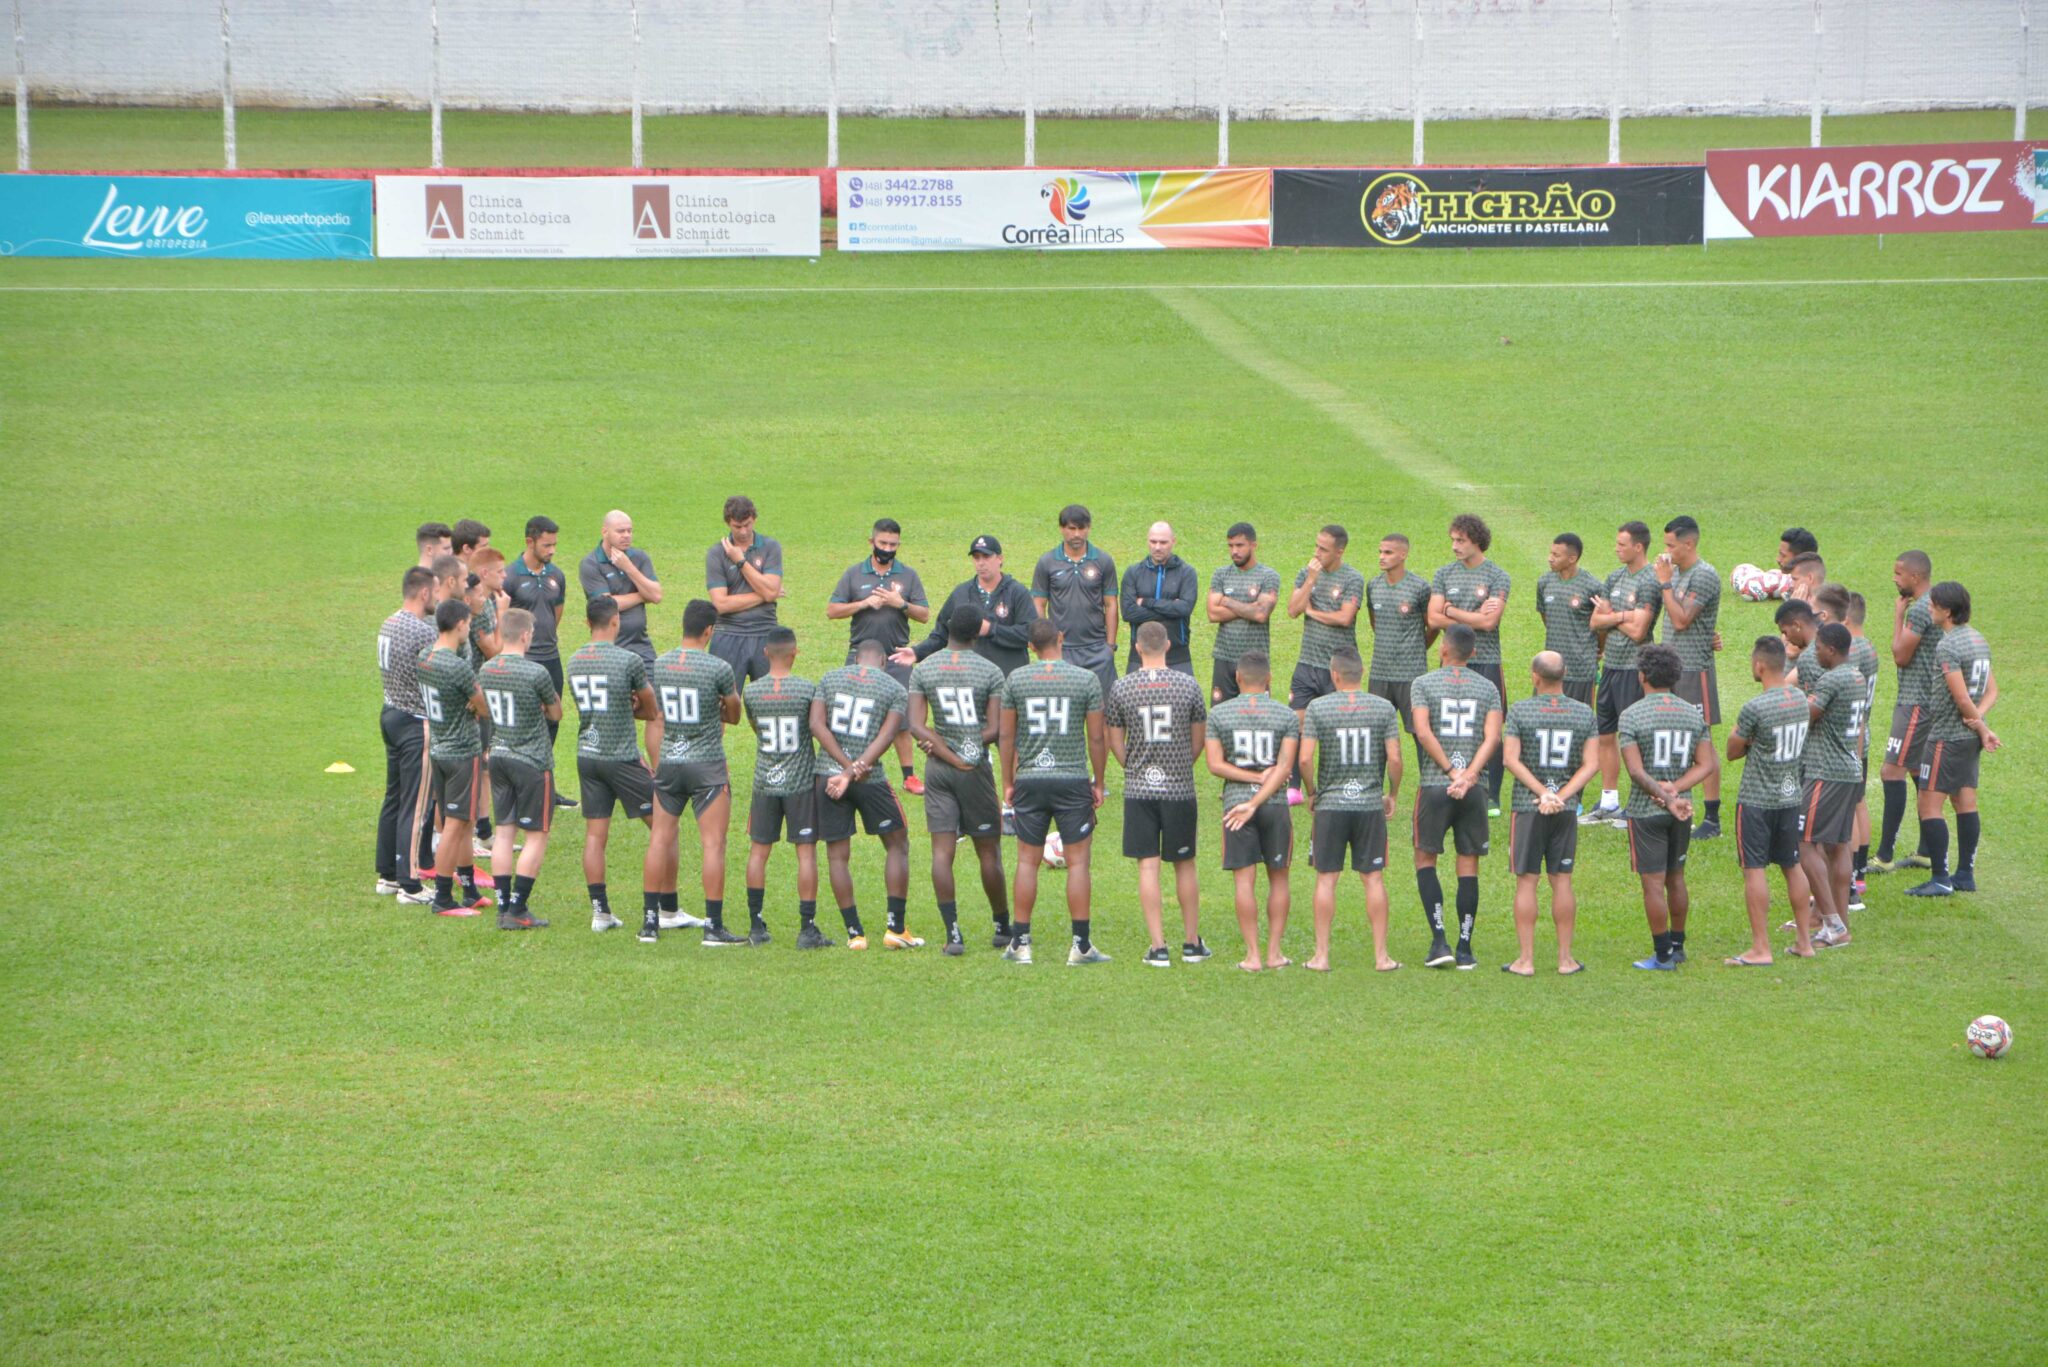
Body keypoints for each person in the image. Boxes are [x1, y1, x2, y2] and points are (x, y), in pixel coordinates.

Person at [999, 621, 1109, 965]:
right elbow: (1096, 737)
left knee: (1026, 862)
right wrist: (1098, 781)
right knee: (1078, 863)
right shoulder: (1086, 680)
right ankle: (1080, 945)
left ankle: (1020, 943)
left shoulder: (1016, 679)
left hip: (1030, 778)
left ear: (1031, 647)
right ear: (1061, 639)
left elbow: (1006, 736)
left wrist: (1008, 781)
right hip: (1072, 778)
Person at [906, 606, 1010, 954]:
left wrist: (942, 749)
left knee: (942, 852)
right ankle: (1002, 927)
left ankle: (952, 935)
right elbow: (995, 728)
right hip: (974, 769)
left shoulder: (925, 668)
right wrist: (966, 751)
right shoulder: (990, 671)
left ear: (949, 628)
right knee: (988, 851)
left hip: (937, 768)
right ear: (977, 633)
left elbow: (916, 725)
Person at [1105, 622, 1210, 966]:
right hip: (1179, 787)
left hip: (1139, 788)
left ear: (1137, 648)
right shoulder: (1188, 685)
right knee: (1185, 865)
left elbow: (1114, 740)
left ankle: (1158, 946)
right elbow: (1198, 740)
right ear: (1167, 646)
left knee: (1148, 866)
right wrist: (1180, 765)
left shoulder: (1122, 687)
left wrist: (1133, 766)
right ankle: (1191, 943)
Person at [643, 600, 743, 945]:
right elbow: (734, 716)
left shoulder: (661, 664)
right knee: (713, 844)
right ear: (709, 631)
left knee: (660, 838)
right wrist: (723, 706)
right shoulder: (718, 667)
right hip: (707, 764)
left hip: (670, 760)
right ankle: (713, 926)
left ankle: (650, 923)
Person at [1298, 647, 1402, 972]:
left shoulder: (1318, 707)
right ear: (1362, 672)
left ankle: (1321, 956)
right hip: (1369, 805)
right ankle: (1381, 957)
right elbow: (1395, 759)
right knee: (1373, 879)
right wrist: (1392, 793)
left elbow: (1305, 758)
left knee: (1326, 879)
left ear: (1334, 675)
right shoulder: (1383, 708)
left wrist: (1312, 792)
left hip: (1331, 805)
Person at [1409, 624, 1503, 970]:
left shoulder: (1423, 684)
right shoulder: (1488, 688)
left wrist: (1451, 772)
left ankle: (1439, 941)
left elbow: (1423, 732)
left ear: (1443, 649)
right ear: (1473, 652)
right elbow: (1492, 738)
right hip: (1474, 790)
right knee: (1468, 864)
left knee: (1425, 859)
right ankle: (1465, 948)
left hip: (1436, 785)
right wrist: (1470, 775)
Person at [1500, 651, 1599, 976]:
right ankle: (1565, 959)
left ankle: (1526, 960)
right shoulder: (1584, 713)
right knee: (1562, 880)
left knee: (1527, 882)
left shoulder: (1520, 710)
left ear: (1535, 676)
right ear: (1564, 674)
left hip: (1527, 808)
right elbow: (1592, 764)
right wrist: (1561, 796)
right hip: (1565, 809)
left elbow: (1510, 759)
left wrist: (1542, 793)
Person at [1617, 643, 1715, 970]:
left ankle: (1661, 955)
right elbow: (1706, 764)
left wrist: (1662, 794)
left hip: (1646, 810)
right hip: (1682, 809)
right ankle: (1678, 946)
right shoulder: (1692, 714)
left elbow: (1635, 771)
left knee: (1653, 883)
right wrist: (1676, 790)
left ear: (1642, 676)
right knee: (1677, 877)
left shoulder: (1632, 715)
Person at [812, 641, 914, 950]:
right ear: (883, 661)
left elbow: (816, 725)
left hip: (827, 776)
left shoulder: (830, 678)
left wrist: (844, 769)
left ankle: (854, 933)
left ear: (856, 659)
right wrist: (856, 769)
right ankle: (895, 928)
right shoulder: (893, 688)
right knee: (897, 843)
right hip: (870, 778)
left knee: (837, 855)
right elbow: (888, 735)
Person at [566, 596, 660, 934]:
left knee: (595, 836)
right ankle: (662, 910)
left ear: (587, 623)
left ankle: (600, 912)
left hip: (587, 754)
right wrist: (631, 705)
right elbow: (651, 711)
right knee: (663, 828)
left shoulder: (574, 661)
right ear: (616, 621)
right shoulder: (629, 660)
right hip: (621, 756)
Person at [1205, 652, 1299, 971]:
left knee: (1244, 882)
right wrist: (1263, 781)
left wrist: (1250, 783)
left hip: (1236, 804)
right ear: (1269, 679)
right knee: (1279, 879)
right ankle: (1274, 953)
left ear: (1237, 678)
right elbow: (1284, 767)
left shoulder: (1219, 714)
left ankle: (1253, 956)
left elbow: (1215, 764)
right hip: (1274, 804)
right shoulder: (1286, 715)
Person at [1725, 636, 1816, 964]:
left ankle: (1761, 948)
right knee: (1792, 865)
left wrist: (1747, 738)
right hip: (1790, 796)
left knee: (1755, 870)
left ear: (1760, 665)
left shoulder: (1755, 707)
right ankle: (1804, 942)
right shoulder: (1800, 699)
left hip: (1757, 799)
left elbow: (1732, 750)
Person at [1908, 582, 2000, 897]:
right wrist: (1979, 721)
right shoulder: (1978, 639)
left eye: (1933, 605)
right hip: (1969, 739)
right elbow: (1992, 691)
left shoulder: (1947, 646)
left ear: (1947, 611)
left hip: (1946, 737)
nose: (1928, 608)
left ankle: (1940, 878)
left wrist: (1979, 724)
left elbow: (1961, 698)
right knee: (1964, 802)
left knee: (1928, 805)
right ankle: (1965, 875)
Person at [740, 628, 830, 947]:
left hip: (765, 780)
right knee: (805, 853)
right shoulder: (807, 689)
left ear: (765, 653)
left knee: (758, 851)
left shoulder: (752, 692)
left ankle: (755, 926)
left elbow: (754, 725)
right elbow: (815, 726)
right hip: (800, 781)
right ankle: (807, 928)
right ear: (795, 653)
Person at [828, 518, 930, 793]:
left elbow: (924, 615)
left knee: (902, 720)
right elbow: (832, 610)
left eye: (893, 545)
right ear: (871, 541)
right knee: (853, 714)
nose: (887, 549)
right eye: (883, 543)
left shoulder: (908, 575)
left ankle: (909, 776)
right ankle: (847, 768)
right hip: (859, 658)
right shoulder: (854, 574)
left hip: (897, 657)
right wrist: (863, 603)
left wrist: (901, 604)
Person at [479, 608, 563, 930]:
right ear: (526, 635)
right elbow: (556, 713)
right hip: (531, 759)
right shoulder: (536, 672)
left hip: (499, 754)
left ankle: (503, 907)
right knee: (536, 835)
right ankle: (518, 907)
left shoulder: (487, 669)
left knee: (504, 832)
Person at [1428, 514, 1512, 812]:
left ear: (1477, 541)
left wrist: (1451, 611)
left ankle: (1491, 795)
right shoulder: (1444, 574)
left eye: (1460, 540)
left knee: (1491, 728)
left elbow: (1490, 623)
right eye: (1453, 540)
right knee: (1447, 723)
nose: (1454, 546)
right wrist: (1473, 615)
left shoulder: (1497, 576)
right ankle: (1448, 781)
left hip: (1486, 660)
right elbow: (1433, 618)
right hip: (1451, 661)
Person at [418, 597, 493, 916]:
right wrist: (474, 705)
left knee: (463, 821)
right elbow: (484, 707)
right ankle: (443, 897)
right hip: (462, 750)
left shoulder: (425, 656)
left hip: (439, 748)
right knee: (456, 823)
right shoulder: (458, 666)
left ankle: (469, 888)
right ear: (461, 624)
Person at [1584, 521, 1659, 825]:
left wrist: (1612, 616)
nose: (1616, 549)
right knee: (1605, 733)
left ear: (1638, 547)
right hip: (1611, 666)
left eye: (1622, 544)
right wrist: (1624, 617)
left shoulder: (1650, 581)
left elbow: (1640, 632)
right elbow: (1594, 622)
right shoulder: (1614, 577)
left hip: (1633, 668)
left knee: (1633, 737)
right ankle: (1609, 800)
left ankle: (1638, 803)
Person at [1655, 515, 1724, 838]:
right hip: (1673, 669)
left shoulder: (1703, 575)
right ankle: (1678, 805)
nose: (1666, 552)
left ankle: (1711, 819)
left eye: (1671, 546)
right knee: (1677, 739)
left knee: (1702, 742)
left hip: (1694, 670)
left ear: (1689, 543)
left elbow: (1682, 620)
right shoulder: (1679, 573)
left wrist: (1665, 584)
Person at [1286, 524, 1365, 804]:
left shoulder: (1353, 578)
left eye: (1324, 549)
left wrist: (1312, 611)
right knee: (1296, 723)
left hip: (1339, 668)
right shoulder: (1306, 573)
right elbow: (1293, 610)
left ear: (1339, 551)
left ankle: (1338, 781)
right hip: (1307, 663)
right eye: (1316, 546)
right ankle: (1294, 787)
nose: (1317, 552)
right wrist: (1310, 580)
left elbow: (1344, 618)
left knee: (1338, 726)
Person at [376, 566, 440, 905]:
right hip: (416, 722)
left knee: (394, 797)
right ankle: (410, 886)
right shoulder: (422, 632)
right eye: (436, 592)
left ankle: (387, 875)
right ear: (424, 592)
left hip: (390, 713)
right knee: (415, 806)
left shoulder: (388, 623)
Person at [1874, 550, 1941, 874]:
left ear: (1915, 576)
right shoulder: (1935, 603)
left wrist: (1898, 616)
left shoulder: (1918, 610)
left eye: (1899, 573)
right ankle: (1926, 851)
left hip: (1915, 702)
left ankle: (1884, 856)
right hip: (1929, 700)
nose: (1894, 578)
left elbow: (1900, 655)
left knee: (1891, 771)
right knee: (1917, 770)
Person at [1801, 624, 1865, 947]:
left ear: (1830, 649)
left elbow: (1807, 713)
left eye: (1817, 648)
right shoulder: (1856, 676)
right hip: (1850, 769)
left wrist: (1784, 700)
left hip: (1825, 771)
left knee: (1803, 842)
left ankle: (1831, 923)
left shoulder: (1832, 679)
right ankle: (1841, 926)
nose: (1815, 653)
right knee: (1837, 846)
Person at [896, 534, 1039, 678]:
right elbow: (941, 634)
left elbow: (1029, 634)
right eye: (976, 558)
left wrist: (991, 629)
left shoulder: (1017, 592)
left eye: (986, 557)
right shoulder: (961, 593)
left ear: (1000, 558)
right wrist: (917, 652)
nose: (981, 563)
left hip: (1008, 679)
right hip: (971, 680)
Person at [1817, 585, 1879, 907]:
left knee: (1847, 813)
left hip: (1845, 740)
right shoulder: (1869, 648)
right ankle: (1860, 872)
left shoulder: (1849, 653)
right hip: (1860, 732)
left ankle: (1850, 880)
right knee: (1858, 803)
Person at [505, 515, 572, 805]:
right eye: (547, 545)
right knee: (523, 723)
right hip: (524, 662)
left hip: (551, 658)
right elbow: (503, 621)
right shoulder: (510, 576)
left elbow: (556, 614)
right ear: (529, 542)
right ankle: (522, 786)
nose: (552, 550)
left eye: (554, 544)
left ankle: (543, 783)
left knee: (552, 719)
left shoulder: (556, 575)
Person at [1032, 505, 1119, 694]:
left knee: (1104, 709)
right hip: (1061, 651)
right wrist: (1046, 643)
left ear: (1089, 528)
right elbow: (1039, 604)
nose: (1077, 534)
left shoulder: (1103, 560)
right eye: (1072, 529)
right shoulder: (1047, 562)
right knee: (1064, 708)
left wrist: (1110, 647)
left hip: (1098, 651)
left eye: (1082, 528)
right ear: (1061, 528)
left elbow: (1111, 603)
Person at [705, 494, 785, 685]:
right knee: (724, 700)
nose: (743, 531)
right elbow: (721, 604)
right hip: (728, 633)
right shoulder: (716, 553)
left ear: (754, 519)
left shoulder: (771, 547)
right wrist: (766, 595)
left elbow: (770, 591)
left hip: (765, 632)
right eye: (737, 526)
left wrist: (740, 561)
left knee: (768, 699)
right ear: (728, 523)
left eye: (747, 525)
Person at [1364, 532, 1435, 744]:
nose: (1381, 557)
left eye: (1388, 552)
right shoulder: (1373, 586)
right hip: (1379, 673)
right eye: (1380, 552)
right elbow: (1375, 622)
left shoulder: (1419, 587)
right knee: (1374, 735)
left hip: (1411, 674)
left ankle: (1429, 769)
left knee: (1421, 733)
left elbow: (1432, 625)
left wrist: (1418, 647)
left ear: (1403, 554)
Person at [465, 546, 510, 859]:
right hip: (476, 694)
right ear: (484, 573)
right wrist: (504, 614)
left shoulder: (488, 601)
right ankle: (472, 834)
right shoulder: (481, 608)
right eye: (500, 571)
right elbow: (495, 651)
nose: (505, 576)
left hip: (486, 691)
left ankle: (483, 831)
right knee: (476, 764)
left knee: (484, 764)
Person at [1206, 522, 1281, 705]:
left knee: (1258, 714)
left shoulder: (1268, 576)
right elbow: (1212, 614)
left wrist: (1227, 601)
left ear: (1253, 545)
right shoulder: (1221, 575)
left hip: (1255, 659)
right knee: (1220, 712)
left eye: (1240, 545)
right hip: (1224, 657)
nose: (1234, 551)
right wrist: (1250, 607)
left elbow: (1261, 614)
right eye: (1230, 546)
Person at [578, 510, 663, 665]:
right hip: (609, 647)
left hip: (641, 645)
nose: (626, 535)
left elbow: (656, 596)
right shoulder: (591, 563)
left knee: (652, 681)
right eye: (620, 531)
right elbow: (606, 605)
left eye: (629, 531)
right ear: (605, 532)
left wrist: (629, 568)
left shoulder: (639, 557)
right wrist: (642, 595)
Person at [1119, 522, 1199, 677]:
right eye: (1153, 541)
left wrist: (1146, 602)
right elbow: (1128, 613)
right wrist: (1171, 609)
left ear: (1173, 541)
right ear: (1147, 541)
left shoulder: (1187, 573)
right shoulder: (1133, 572)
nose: (1157, 547)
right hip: (1139, 656)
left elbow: (1184, 609)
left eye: (1163, 542)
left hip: (1177, 656)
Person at [1535, 534, 1603, 709]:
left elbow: (1603, 626)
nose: (1550, 558)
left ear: (1572, 558)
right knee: (1544, 715)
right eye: (1551, 553)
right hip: (1550, 667)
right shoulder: (1544, 582)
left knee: (1579, 718)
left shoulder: (1592, 586)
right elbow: (1546, 616)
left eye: (1556, 555)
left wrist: (1598, 650)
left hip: (1580, 669)